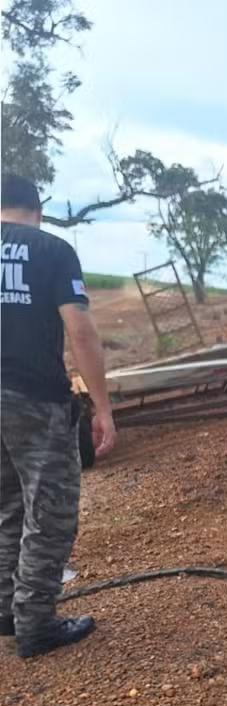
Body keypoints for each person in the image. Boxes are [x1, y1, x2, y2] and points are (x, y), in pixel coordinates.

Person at [1, 172, 116, 658]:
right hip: (34, 399)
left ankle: (8, 609)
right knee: (51, 512)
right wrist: (103, 407)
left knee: (8, 506)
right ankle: (37, 624)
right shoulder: (51, 250)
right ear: (38, 209)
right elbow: (81, 333)